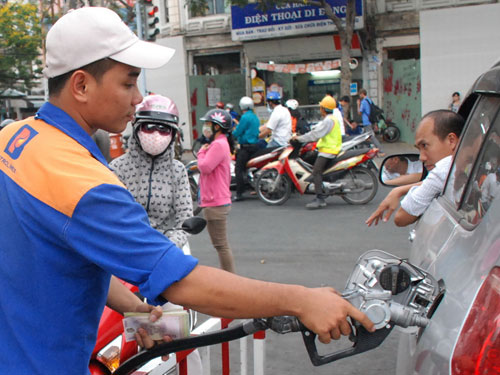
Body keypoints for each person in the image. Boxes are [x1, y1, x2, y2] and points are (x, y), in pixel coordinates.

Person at [0, 8, 374, 374]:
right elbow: (180, 280)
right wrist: (301, 300)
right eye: (128, 83)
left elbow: (67, 254)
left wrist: (135, 307)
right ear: (81, 85)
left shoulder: (13, 138)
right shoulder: (85, 184)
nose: (137, 99)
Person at [110, 95, 193, 248]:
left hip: (167, 246)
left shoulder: (177, 170)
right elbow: (110, 216)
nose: (156, 135)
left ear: (173, 134)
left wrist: (169, 244)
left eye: (164, 130)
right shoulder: (118, 168)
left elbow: (185, 218)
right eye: (149, 128)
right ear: (136, 130)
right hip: (127, 246)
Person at [366, 110, 464, 227]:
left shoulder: (444, 167)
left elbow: (401, 218)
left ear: (451, 140)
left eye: (425, 146)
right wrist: (399, 190)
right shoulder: (463, 165)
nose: (421, 158)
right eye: (419, 149)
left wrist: (399, 191)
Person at [197, 108, 236, 272]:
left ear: (217, 127)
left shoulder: (218, 145)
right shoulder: (218, 144)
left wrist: (201, 152)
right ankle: (230, 277)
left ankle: (231, 279)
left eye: (208, 124)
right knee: (220, 245)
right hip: (215, 201)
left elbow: (205, 167)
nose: (205, 127)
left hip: (216, 202)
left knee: (221, 245)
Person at [291, 95, 342, 210]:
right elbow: (317, 129)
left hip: (328, 151)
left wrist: (299, 139)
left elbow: (316, 135)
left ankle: (320, 198)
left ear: (323, 108)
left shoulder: (329, 120)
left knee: (316, 172)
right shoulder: (331, 119)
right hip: (328, 149)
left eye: (321, 107)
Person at [233, 96, 260, 201]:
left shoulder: (244, 117)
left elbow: (238, 131)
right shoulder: (254, 117)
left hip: (246, 148)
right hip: (255, 147)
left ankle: (239, 193)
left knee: (238, 169)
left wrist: (233, 133)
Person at [357, 88, 385, 156]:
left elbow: (359, 113)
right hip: (371, 120)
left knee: (371, 136)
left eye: (360, 95)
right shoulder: (369, 100)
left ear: (362, 94)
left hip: (366, 122)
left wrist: (358, 104)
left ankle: (381, 150)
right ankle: (364, 150)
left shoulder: (363, 102)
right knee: (363, 137)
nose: (359, 96)